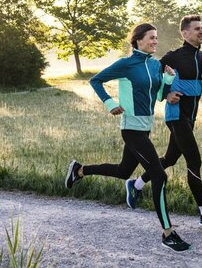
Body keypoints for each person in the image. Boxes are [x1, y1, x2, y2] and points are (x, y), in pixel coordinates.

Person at [65, 23, 191, 252]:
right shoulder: (126, 64)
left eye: (156, 37)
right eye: (151, 38)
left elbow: (159, 95)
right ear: (138, 40)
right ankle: (168, 233)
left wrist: (169, 82)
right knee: (159, 176)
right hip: (131, 128)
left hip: (145, 127)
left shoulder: (155, 65)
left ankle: (79, 170)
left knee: (124, 171)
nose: (155, 41)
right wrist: (110, 102)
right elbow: (96, 80)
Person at [125, 15, 202, 229]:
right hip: (176, 117)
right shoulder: (173, 57)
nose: (201, 32)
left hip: (190, 117)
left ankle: (136, 184)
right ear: (185, 33)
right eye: (197, 29)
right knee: (194, 161)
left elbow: (201, 88)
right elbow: (154, 82)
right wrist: (167, 93)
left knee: (170, 158)